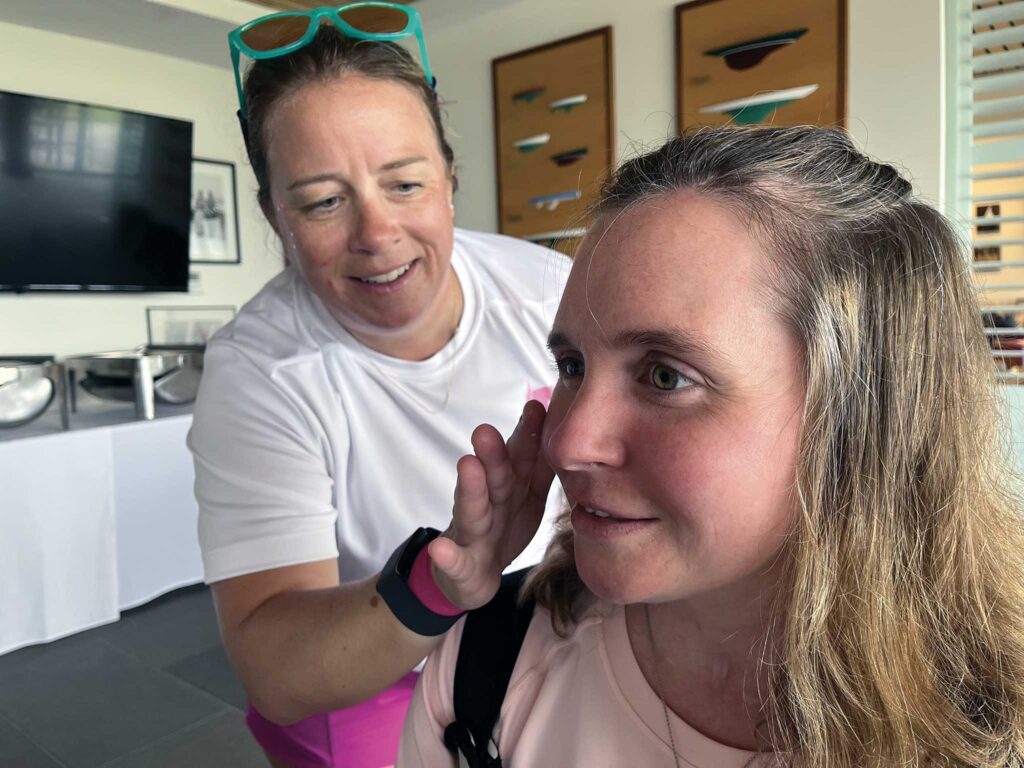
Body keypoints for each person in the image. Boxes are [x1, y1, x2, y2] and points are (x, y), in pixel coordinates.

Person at [398, 126, 1024, 767]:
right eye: (572, 365)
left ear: (863, 415)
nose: (568, 442)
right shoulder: (488, 667)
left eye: (666, 377)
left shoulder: (986, 728)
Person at [187, 6, 567, 767]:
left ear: (450, 181)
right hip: (366, 657)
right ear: (274, 216)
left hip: (554, 620)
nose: (376, 233)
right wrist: (443, 582)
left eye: (404, 183)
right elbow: (275, 670)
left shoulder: (548, 293)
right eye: (323, 201)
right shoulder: (260, 375)